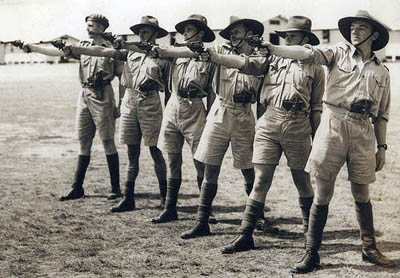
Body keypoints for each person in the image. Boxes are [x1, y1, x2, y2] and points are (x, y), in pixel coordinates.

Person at [260, 10, 393, 273]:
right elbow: (307, 53)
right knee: (322, 193)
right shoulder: (336, 53)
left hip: (363, 130)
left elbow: (382, 115)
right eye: (352, 27)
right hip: (333, 126)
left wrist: (382, 147)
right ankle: (312, 253)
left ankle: (369, 248)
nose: (354, 31)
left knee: (361, 194)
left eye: (361, 28)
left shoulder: (383, 71)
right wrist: (274, 48)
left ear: (374, 35)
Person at [212, 16, 325, 254]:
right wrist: (218, 57)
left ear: (305, 39)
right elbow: (247, 64)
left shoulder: (315, 68)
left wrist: (316, 140)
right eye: (285, 36)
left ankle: (309, 232)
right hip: (269, 122)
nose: (287, 39)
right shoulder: (271, 58)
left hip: (298, 125)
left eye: (292, 36)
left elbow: (316, 108)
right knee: (261, 179)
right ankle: (245, 235)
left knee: (301, 181)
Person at [62, 15, 170, 212]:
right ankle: (128, 198)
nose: (141, 33)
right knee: (132, 153)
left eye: (145, 30)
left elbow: (169, 86)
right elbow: (100, 50)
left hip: (150, 103)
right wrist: (72, 48)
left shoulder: (162, 55)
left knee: (155, 150)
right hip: (130, 100)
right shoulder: (128, 53)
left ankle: (165, 198)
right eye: (139, 30)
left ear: (155, 33)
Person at [180, 16, 265, 239]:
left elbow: (263, 91)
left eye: (237, 31)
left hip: (245, 115)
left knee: (248, 168)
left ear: (249, 33)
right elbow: (195, 53)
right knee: (210, 166)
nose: (232, 35)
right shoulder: (218, 50)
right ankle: (202, 221)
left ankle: (257, 216)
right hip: (220, 110)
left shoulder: (260, 57)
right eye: (231, 32)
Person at [22, 14, 123, 201]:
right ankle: (77, 187)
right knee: (83, 141)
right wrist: (33, 47)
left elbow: (122, 78)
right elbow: (58, 52)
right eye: (87, 25)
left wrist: (120, 104)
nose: (88, 29)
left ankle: (115, 188)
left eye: (91, 26)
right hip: (85, 95)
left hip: (104, 95)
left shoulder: (112, 49)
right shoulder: (82, 47)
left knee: (108, 141)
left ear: (101, 28)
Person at [150, 14, 217, 223]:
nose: (184, 34)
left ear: (201, 33)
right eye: (184, 30)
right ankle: (170, 208)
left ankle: (205, 211)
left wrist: (210, 118)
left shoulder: (209, 56)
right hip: (174, 106)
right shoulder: (176, 53)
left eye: (189, 30)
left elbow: (213, 92)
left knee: (200, 161)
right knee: (172, 159)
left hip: (195, 108)